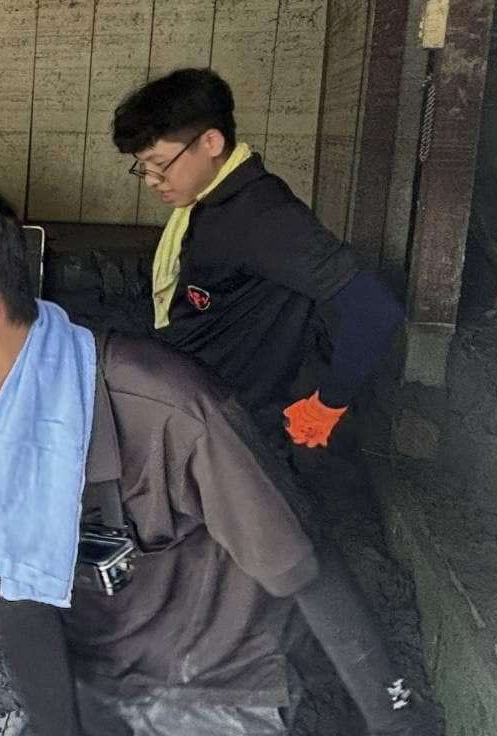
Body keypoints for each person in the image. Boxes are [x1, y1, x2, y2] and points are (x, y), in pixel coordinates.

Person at [0, 173, 488, 736]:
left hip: (215, 690)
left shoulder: (171, 411)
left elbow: (308, 571)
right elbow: (19, 595)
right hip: (99, 675)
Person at [112, 68, 404, 452]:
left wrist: (328, 404)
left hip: (219, 422)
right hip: (183, 385)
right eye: (143, 167)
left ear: (211, 142)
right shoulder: (209, 202)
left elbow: (375, 309)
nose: (151, 179)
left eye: (159, 163)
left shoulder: (264, 217)